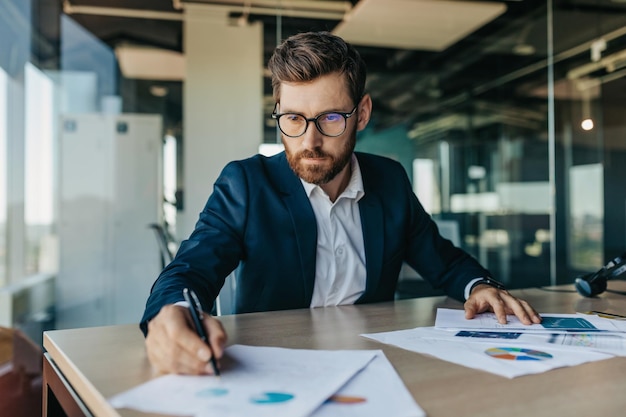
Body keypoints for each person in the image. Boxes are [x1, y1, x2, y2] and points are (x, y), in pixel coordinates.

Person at [141, 31, 541, 376]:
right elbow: (191, 268)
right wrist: (173, 312)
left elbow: (444, 261)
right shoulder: (247, 184)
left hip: (374, 364)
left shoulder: (389, 181)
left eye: (330, 118)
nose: (309, 142)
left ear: (361, 113)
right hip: (278, 367)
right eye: (293, 119)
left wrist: (481, 286)